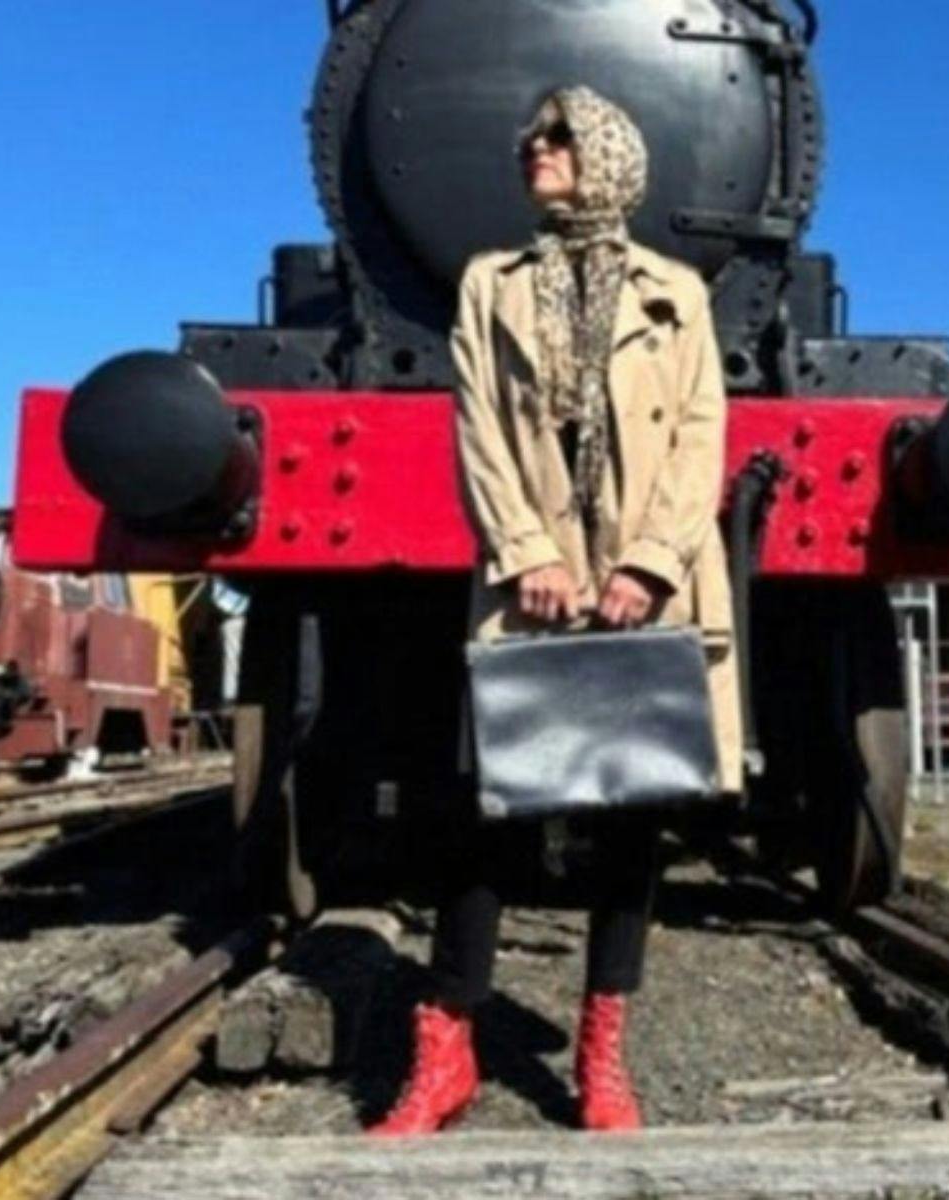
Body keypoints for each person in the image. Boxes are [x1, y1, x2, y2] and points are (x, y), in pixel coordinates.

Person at [367, 85, 741, 1137]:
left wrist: (653, 563)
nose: (535, 149)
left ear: (609, 157)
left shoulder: (678, 291)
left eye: (559, 137)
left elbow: (699, 433)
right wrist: (525, 548)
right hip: (530, 569)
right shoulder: (491, 283)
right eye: (530, 135)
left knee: (634, 810)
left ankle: (601, 1062)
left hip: (642, 575)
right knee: (484, 809)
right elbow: (478, 424)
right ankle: (445, 1053)